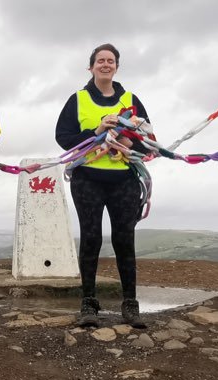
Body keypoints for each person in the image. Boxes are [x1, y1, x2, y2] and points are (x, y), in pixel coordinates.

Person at [54, 43, 153, 328]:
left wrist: (126, 142)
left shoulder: (132, 98)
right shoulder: (79, 99)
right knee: (91, 238)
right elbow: (64, 137)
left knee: (125, 239)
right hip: (88, 180)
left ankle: (130, 305)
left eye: (111, 60)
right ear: (91, 67)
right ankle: (88, 303)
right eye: (100, 61)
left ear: (116, 67)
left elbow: (148, 138)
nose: (106, 64)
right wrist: (98, 131)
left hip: (124, 180)